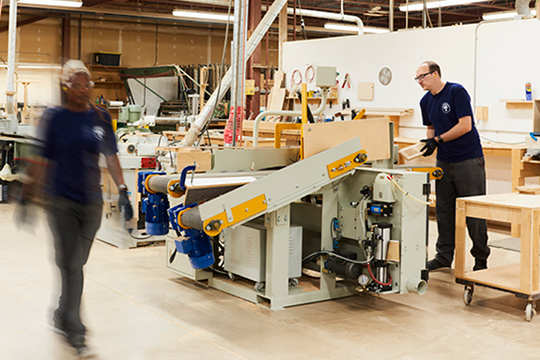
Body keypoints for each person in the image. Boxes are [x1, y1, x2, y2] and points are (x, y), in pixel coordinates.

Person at [16, 60, 133, 357]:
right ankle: (77, 332)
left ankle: (60, 314)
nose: (83, 89)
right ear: (65, 86)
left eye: (87, 84)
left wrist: (122, 190)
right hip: (61, 201)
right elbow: (40, 159)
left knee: (74, 265)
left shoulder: (101, 118)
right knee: (71, 266)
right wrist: (27, 196)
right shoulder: (54, 118)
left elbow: (111, 157)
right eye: (76, 84)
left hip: (91, 203)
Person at [415, 60, 490, 272]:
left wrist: (437, 140)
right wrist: (429, 143)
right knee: (444, 210)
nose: (420, 81)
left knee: (474, 212)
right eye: (417, 78)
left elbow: (465, 125)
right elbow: (430, 127)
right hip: (444, 162)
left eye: (423, 76)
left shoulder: (456, 92)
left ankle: (481, 258)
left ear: (436, 74)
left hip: (468, 159)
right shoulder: (424, 101)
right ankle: (444, 256)